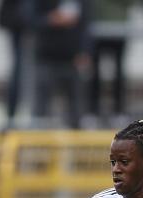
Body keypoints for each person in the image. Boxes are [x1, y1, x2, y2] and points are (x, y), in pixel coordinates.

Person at [30, 0, 92, 128]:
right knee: (41, 108)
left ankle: (76, 134)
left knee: (76, 109)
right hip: (46, 56)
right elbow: (29, 19)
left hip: (73, 58)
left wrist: (84, 51)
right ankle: (39, 134)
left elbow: (86, 25)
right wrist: (51, 19)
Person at [88, 0, 133, 125]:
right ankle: (93, 112)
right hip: (96, 27)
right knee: (94, 73)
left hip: (119, 28)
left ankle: (119, 111)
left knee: (118, 73)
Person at [0, 0, 28, 122]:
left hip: (26, 25)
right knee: (18, 72)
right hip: (19, 25)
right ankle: (11, 116)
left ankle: (12, 115)